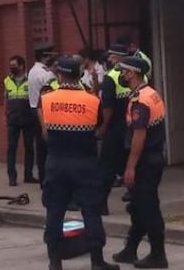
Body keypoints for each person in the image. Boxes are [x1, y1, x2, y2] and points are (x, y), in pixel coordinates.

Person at [38, 56, 118, 270]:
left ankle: (55, 261)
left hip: (56, 163)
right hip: (85, 164)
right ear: (79, 75)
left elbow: (45, 133)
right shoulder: (93, 101)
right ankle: (97, 261)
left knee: (55, 211)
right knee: (91, 211)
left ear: (60, 74)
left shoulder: (47, 100)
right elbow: (99, 128)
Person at [112, 56, 168, 269]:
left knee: (149, 207)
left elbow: (139, 135)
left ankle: (158, 255)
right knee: (137, 207)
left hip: (146, 161)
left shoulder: (140, 101)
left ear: (132, 73)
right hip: (152, 159)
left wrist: (130, 167)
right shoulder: (151, 93)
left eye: (124, 72)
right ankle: (131, 249)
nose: (122, 75)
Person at [97, 44, 131, 215]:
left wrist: (103, 127)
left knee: (107, 167)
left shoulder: (111, 77)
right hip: (133, 126)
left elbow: (108, 107)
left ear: (118, 57)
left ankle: (102, 203)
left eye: (111, 57)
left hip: (116, 127)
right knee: (132, 164)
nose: (109, 60)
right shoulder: (138, 74)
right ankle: (135, 200)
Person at [3, 55, 38, 186]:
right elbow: (6, 98)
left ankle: (28, 175)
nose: (12, 68)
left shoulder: (30, 80)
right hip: (13, 119)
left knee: (29, 148)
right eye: (11, 65)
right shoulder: (7, 80)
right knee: (11, 148)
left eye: (14, 65)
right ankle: (12, 177)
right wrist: (4, 115)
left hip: (28, 118)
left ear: (22, 66)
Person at [27, 42, 57, 185]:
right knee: (48, 147)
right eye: (51, 55)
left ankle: (43, 178)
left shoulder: (32, 71)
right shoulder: (45, 74)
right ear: (45, 57)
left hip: (33, 110)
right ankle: (48, 179)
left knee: (40, 147)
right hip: (43, 111)